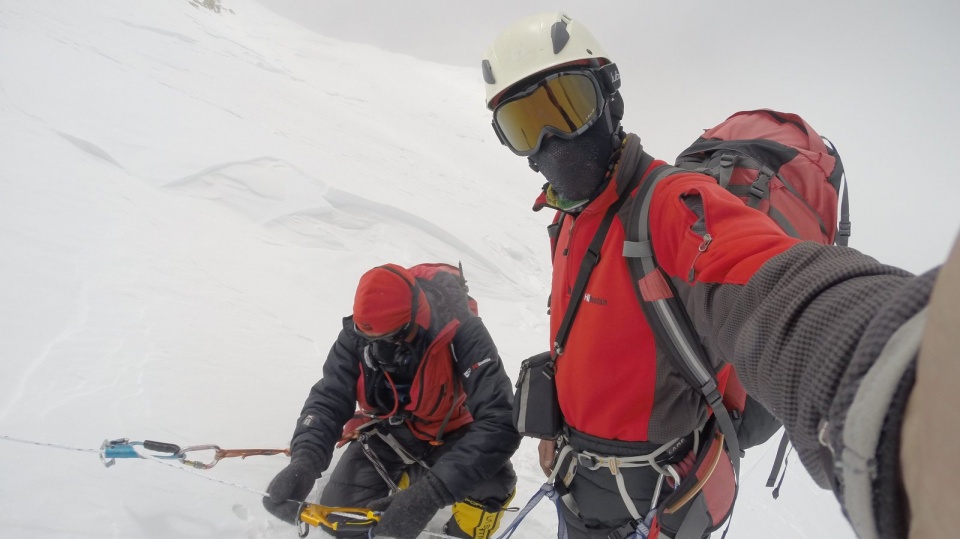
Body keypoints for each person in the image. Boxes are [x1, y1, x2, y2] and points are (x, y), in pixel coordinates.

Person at [482, 11, 944, 539]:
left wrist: (908, 386)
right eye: (523, 126)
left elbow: (777, 291)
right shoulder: (567, 221)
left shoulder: (676, 208)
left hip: (653, 510)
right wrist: (559, 430)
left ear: (611, 98)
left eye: (568, 107)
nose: (550, 142)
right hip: (578, 490)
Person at [262, 263, 520, 539]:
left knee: (491, 483)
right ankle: (408, 478)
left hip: (455, 431)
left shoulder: (462, 330)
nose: (379, 348)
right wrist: (306, 459)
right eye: (370, 339)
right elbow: (329, 398)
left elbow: (501, 420)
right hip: (393, 431)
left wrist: (431, 495)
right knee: (341, 519)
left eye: (391, 338)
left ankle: (462, 531)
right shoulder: (355, 335)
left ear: (415, 320)